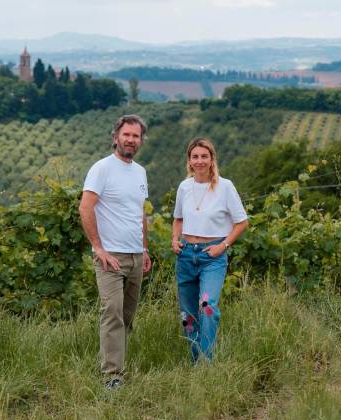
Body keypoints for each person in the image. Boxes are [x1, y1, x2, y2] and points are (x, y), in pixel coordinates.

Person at [79, 114, 152, 390]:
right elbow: (85, 208)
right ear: (115, 137)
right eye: (127, 135)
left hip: (135, 255)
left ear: (140, 140)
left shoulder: (140, 172)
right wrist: (98, 248)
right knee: (112, 311)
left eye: (136, 136)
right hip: (110, 256)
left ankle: (117, 361)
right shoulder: (102, 169)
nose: (131, 140)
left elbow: (140, 213)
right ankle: (112, 376)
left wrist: (144, 249)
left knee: (127, 314)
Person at [171, 137, 248, 363]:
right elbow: (178, 219)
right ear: (189, 161)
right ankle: (196, 359)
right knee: (187, 314)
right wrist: (175, 239)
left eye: (204, 156)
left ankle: (207, 359)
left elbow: (242, 222)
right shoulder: (184, 187)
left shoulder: (225, 186)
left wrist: (223, 245)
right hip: (185, 254)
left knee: (207, 306)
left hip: (211, 256)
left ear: (212, 159)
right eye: (195, 156)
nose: (200, 160)